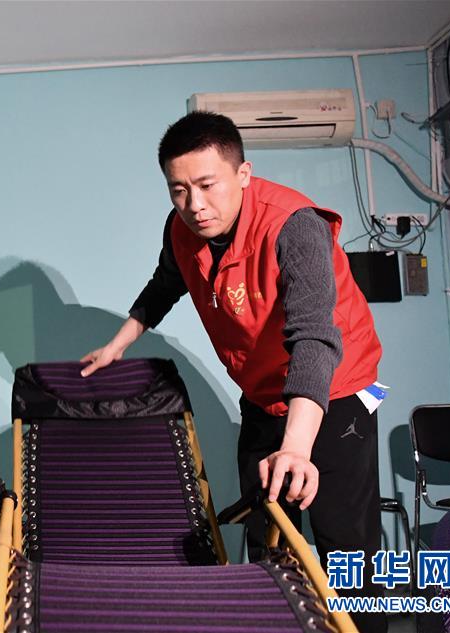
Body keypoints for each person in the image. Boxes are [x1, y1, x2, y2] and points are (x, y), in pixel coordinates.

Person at [81, 111, 386, 631]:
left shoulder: (296, 226)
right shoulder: (182, 229)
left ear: (243, 174)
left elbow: (314, 337)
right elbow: (165, 284)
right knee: (264, 529)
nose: (194, 205)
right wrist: (118, 344)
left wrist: (296, 448)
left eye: (207, 185)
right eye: (178, 190)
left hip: (336, 392)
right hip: (264, 393)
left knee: (345, 545)